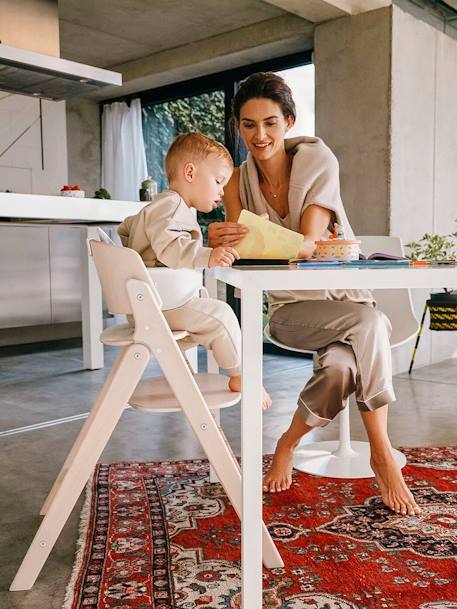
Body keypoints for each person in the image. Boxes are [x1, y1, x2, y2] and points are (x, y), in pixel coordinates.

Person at [208, 72, 421, 516]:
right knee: (370, 323)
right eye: (248, 125)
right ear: (238, 127)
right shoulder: (234, 180)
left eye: (270, 122)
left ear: (288, 120)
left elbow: (309, 243)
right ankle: (382, 451)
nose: (259, 135)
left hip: (346, 298)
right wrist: (223, 238)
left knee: (344, 365)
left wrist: (260, 239)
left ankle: (286, 443)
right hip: (289, 311)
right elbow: (243, 251)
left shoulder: (317, 158)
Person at [118, 132, 271, 408]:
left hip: (157, 303)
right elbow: (169, 248)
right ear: (190, 172)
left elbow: (128, 227)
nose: (222, 192)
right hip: (163, 305)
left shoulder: (162, 207)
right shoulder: (170, 205)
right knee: (221, 315)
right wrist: (208, 255)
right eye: (218, 181)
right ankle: (241, 375)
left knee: (207, 317)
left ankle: (182, 373)